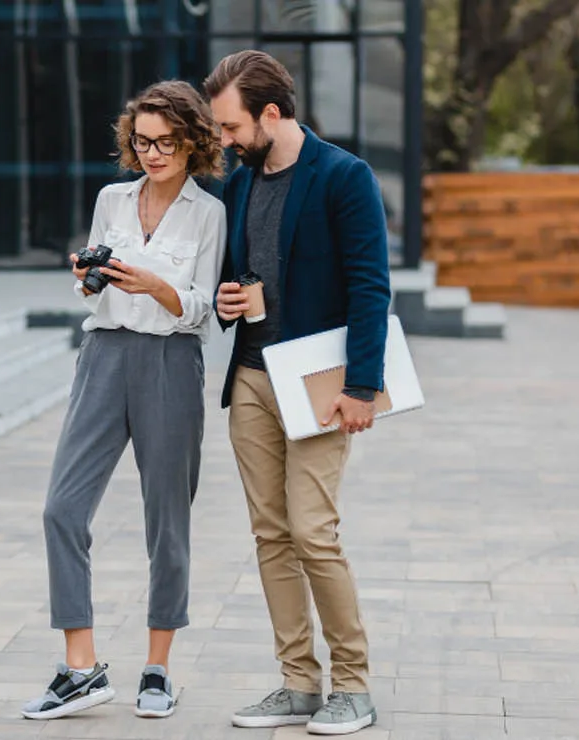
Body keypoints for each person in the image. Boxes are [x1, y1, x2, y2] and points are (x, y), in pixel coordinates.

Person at [20, 80, 227, 722]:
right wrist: (88, 278)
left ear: (192, 142)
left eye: (167, 142)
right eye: (143, 141)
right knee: (62, 508)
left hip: (169, 361)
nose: (154, 153)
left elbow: (201, 308)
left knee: (166, 521)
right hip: (104, 356)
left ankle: (158, 668)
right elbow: (95, 288)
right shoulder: (112, 199)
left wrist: (156, 286)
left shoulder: (208, 212)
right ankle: (80, 669)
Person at [204, 50, 392, 735]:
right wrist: (227, 302)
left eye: (231, 128)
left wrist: (362, 387)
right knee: (271, 535)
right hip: (252, 379)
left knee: (314, 533)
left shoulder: (345, 176)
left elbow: (372, 284)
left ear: (272, 114)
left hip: (320, 383)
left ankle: (353, 685)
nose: (224, 142)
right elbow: (237, 278)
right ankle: (298, 684)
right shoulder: (239, 186)